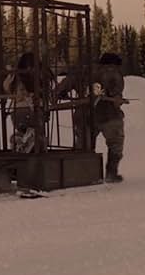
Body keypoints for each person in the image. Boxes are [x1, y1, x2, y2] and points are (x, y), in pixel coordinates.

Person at [53, 51, 128, 183]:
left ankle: (80, 173)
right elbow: (115, 93)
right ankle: (111, 173)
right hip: (109, 115)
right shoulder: (114, 72)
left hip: (84, 115)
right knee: (115, 144)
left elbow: (64, 86)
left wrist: (60, 93)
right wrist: (117, 99)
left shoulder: (83, 71)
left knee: (84, 146)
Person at [3, 52, 51, 153]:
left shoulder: (15, 76)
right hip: (35, 111)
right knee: (37, 133)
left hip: (17, 112)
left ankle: (20, 141)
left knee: (21, 132)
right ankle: (33, 138)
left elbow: (6, 87)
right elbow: (48, 93)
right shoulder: (41, 76)